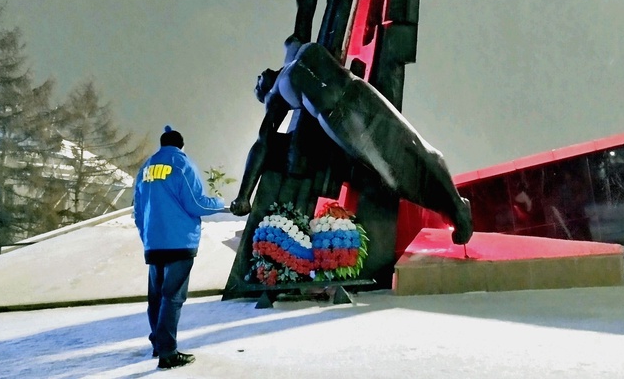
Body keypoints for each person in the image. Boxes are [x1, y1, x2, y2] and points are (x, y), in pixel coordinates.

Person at [229, 35, 474, 246]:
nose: (257, 79)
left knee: (412, 142)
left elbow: (306, 4)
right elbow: (263, 144)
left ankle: (456, 203)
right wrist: (243, 196)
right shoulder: (275, 98)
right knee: (391, 171)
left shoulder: (293, 48)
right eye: (256, 87)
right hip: (338, 118)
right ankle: (448, 211)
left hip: (357, 90)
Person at [134, 125, 225, 370]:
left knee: (156, 297)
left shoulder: (146, 168)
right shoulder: (181, 164)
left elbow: (138, 210)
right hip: (179, 242)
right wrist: (220, 201)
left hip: (154, 244)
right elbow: (196, 204)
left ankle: (157, 343)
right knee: (172, 297)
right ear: (181, 145)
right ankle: (168, 352)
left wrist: (147, 237)